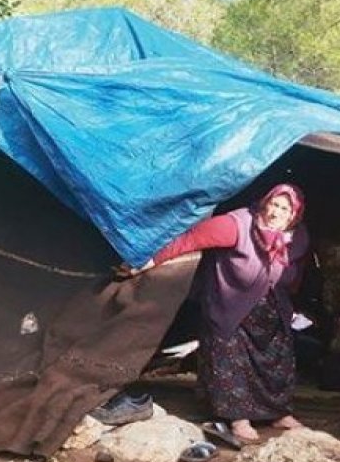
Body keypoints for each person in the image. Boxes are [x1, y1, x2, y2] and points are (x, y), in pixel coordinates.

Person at [120, 184, 311, 443]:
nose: (276, 212)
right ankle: (238, 418)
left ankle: (278, 413)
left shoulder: (297, 238)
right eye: (274, 204)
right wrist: (146, 261)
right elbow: (188, 240)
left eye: (284, 209)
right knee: (231, 363)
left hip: (271, 311)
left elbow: (296, 273)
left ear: (293, 215)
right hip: (230, 308)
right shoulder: (236, 225)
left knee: (278, 362)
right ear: (264, 203)